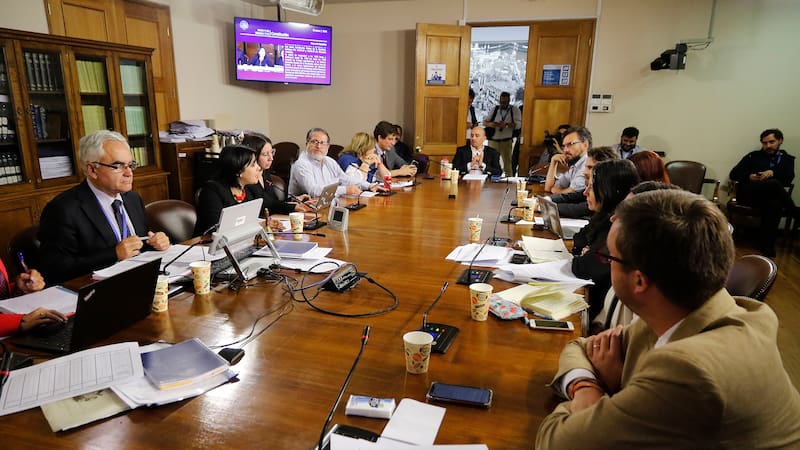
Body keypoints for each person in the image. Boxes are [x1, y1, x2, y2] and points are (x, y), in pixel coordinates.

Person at [536, 189, 800, 449]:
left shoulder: (689, 373)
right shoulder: (687, 309)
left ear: (639, 281)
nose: (606, 263)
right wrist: (585, 385)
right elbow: (581, 347)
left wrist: (599, 399)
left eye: (609, 256)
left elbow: (556, 441)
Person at [38, 130, 170, 284]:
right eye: (118, 166)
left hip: (141, 280)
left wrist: (156, 243)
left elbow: (139, 245)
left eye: (130, 165)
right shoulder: (63, 209)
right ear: (92, 170)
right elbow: (54, 270)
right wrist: (114, 254)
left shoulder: (132, 199)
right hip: (97, 288)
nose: (129, 173)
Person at [570, 159, 640, 319]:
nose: (585, 192)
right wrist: (586, 250)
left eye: (591, 187)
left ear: (608, 191)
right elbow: (579, 238)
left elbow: (584, 267)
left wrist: (587, 252)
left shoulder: (617, 224)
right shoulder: (602, 215)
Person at [729, 128, 796, 257]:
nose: (768, 146)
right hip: (749, 194)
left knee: (775, 204)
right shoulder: (753, 156)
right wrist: (749, 176)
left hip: (769, 198)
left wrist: (773, 172)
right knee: (774, 184)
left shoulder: (787, 159)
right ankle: (795, 213)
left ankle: (768, 246)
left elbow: (789, 178)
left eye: (772, 142)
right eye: (765, 143)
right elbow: (734, 174)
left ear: (780, 141)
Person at [194, 145, 263, 236]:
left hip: (239, 240)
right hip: (208, 242)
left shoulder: (248, 189)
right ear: (239, 171)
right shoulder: (212, 191)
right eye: (253, 164)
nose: (259, 168)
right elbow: (214, 228)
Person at [241, 132, 312, 219]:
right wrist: (293, 207)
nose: (271, 158)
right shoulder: (247, 178)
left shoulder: (265, 173)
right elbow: (264, 207)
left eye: (272, 152)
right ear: (253, 156)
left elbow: (273, 203)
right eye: (265, 154)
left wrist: (295, 200)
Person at [289, 127, 366, 197]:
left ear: (328, 147)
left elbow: (345, 179)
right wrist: (345, 190)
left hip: (326, 203)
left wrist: (369, 185)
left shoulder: (329, 161)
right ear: (307, 144)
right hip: (302, 206)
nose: (318, 146)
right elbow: (313, 191)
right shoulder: (301, 164)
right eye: (315, 142)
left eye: (322, 143)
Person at [548, 146, 617, 219]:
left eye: (590, 167)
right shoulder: (593, 187)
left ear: (605, 170)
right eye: (585, 167)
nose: (585, 172)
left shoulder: (608, 192)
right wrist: (547, 199)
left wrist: (545, 207)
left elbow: (578, 209)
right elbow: (570, 197)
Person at [483, 91, 521, 176]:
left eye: (504, 102)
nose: (502, 104)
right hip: (493, 141)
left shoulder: (514, 110)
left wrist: (506, 125)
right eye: (501, 102)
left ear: (509, 101)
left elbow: (518, 125)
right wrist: (492, 124)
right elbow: (485, 122)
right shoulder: (495, 109)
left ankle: (509, 180)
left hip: (506, 141)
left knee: (508, 165)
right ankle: (490, 179)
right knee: (490, 163)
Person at [545, 126, 591, 194]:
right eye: (564, 146)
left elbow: (571, 193)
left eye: (570, 144)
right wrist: (553, 161)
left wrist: (557, 190)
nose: (565, 150)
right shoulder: (575, 165)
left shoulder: (588, 167)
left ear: (585, 145)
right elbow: (549, 188)